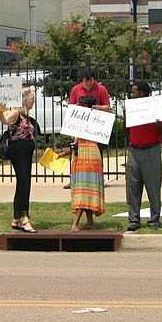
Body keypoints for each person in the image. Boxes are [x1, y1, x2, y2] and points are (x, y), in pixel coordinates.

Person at [125, 81, 162, 231]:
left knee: (153, 187)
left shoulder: (156, 108)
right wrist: (126, 117)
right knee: (132, 187)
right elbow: (126, 133)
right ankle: (134, 220)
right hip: (134, 151)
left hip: (151, 150)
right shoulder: (132, 110)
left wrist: (156, 123)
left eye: (134, 92)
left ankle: (154, 220)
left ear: (142, 93)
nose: (132, 95)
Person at [57, 95, 106, 231]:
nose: (77, 107)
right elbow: (76, 144)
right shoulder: (79, 122)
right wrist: (64, 154)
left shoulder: (91, 121)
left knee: (83, 189)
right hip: (82, 156)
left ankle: (76, 223)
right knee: (85, 188)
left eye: (80, 105)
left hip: (88, 157)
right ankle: (90, 221)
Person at [0, 88, 39, 233]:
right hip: (18, 149)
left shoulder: (26, 115)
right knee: (24, 182)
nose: (33, 101)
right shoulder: (16, 112)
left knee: (23, 183)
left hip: (26, 150)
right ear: (25, 100)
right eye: (32, 99)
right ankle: (24, 217)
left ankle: (16, 218)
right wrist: (0, 112)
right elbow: (5, 121)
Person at [64, 69, 112, 189]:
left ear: (93, 79)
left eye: (90, 81)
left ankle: (99, 178)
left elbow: (108, 107)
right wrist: (78, 107)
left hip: (96, 127)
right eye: (85, 81)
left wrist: (97, 107)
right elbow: (71, 106)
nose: (88, 84)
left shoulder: (101, 89)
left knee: (97, 153)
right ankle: (74, 179)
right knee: (77, 153)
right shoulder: (76, 89)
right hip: (80, 127)